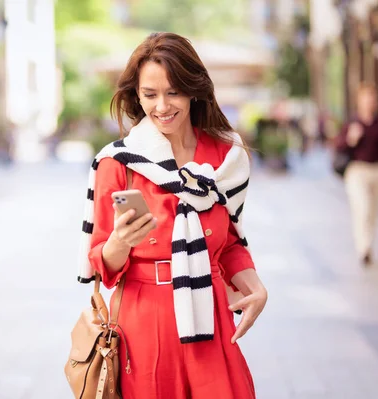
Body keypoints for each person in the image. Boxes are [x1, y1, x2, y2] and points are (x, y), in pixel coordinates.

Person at [77, 33, 267, 398]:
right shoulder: (118, 161)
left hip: (209, 321)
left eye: (173, 92)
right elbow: (103, 266)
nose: (162, 106)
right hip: (143, 325)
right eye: (150, 95)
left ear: (194, 90)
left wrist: (253, 284)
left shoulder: (226, 157)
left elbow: (227, 245)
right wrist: (120, 241)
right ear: (137, 96)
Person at [335, 82, 378, 266]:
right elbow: (339, 147)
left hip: (377, 170)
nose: (370, 102)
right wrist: (351, 139)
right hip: (357, 171)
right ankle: (363, 248)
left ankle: (368, 244)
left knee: (372, 211)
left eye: (373, 98)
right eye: (367, 98)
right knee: (362, 208)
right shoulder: (352, 124)